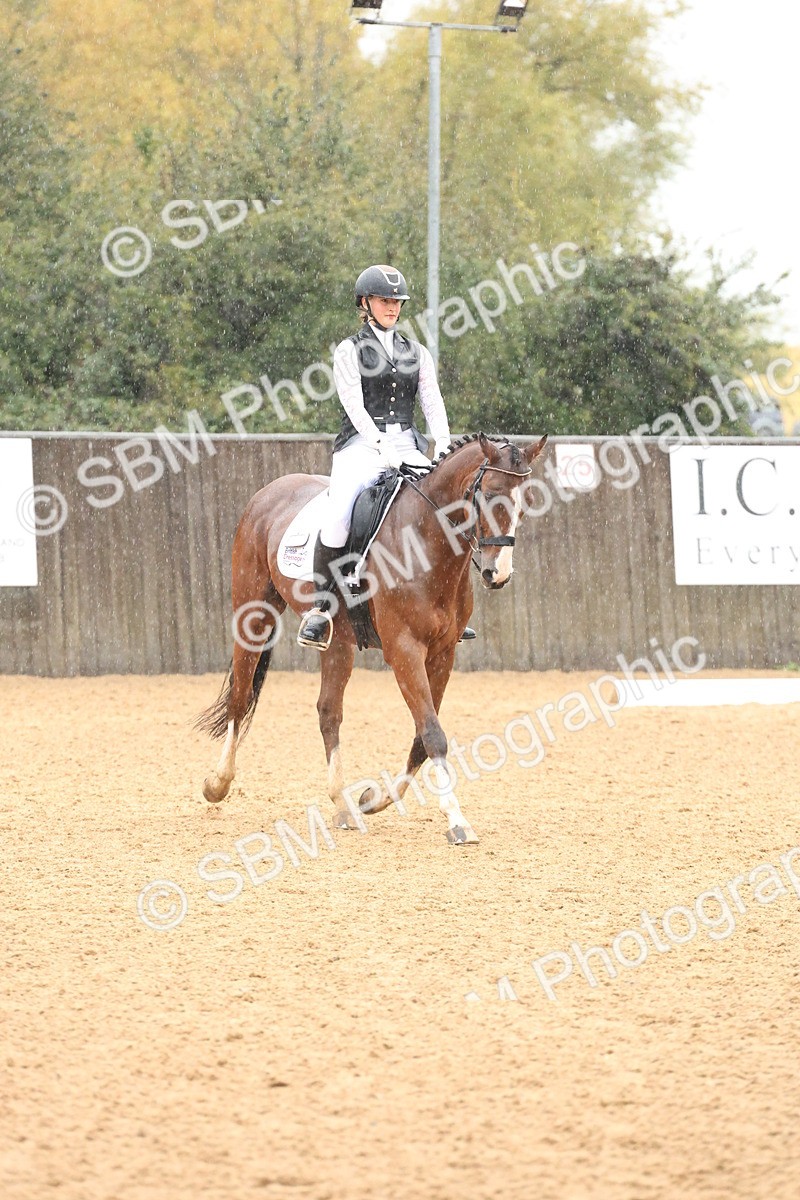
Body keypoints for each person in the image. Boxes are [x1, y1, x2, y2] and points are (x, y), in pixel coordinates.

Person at [297, 263, 475, 650]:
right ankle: (322, 609)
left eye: (397, 301)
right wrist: (384, 449)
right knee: (340, 512)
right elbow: (354, 406)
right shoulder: (349, 349)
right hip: (361, 446)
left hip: (408, 444)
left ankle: (448, 602)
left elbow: (432, 401)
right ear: (366, 303)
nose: (392, 307)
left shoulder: (418, 352)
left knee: (444, 505)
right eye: (384, 300)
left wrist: (442, 447)